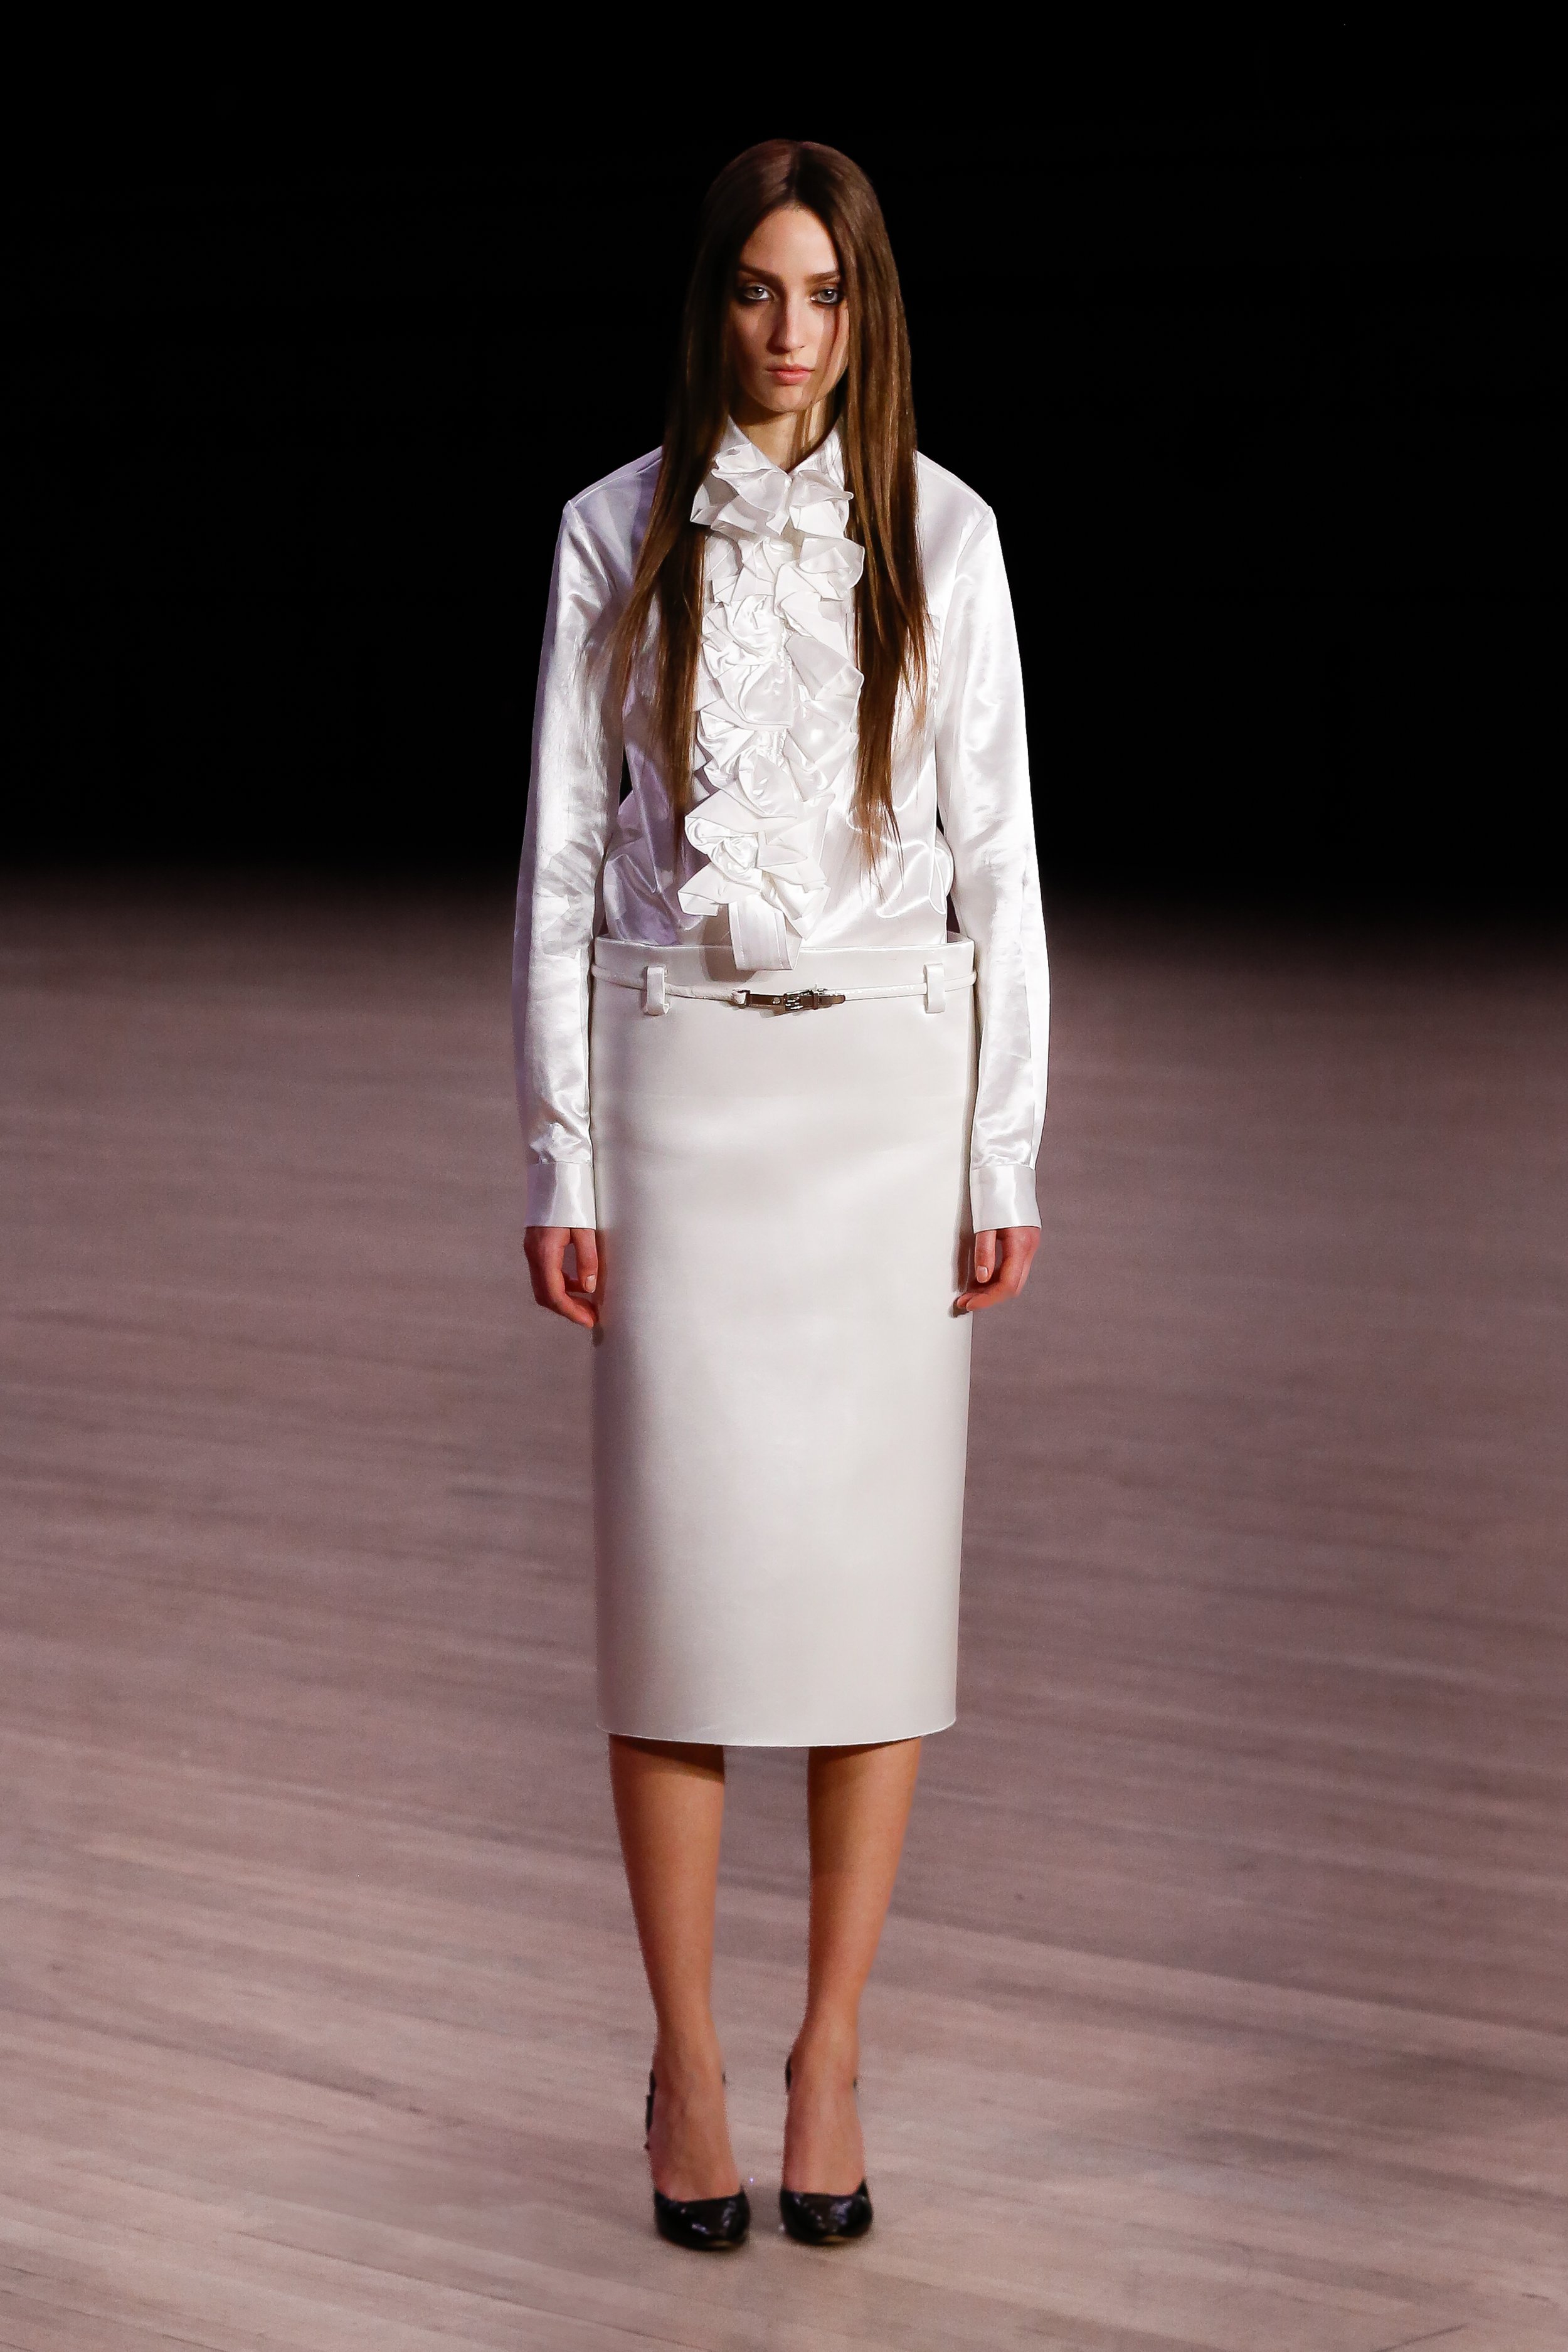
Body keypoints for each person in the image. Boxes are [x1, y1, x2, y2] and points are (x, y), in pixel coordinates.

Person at [512, 137, 1048, 2251]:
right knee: (680, 1600)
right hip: (680, 1086)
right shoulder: (611, 531)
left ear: (868, 311)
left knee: (867, 1600)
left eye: (824, 293)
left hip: (887, 1099)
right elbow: (562, 860)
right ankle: (690, 2062)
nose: (790, 332)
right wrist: (559, 1148)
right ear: (709, 303)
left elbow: (998, 863)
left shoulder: (945, 533)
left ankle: (830, 2050)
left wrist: (1001, 1145)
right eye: (756, 288)